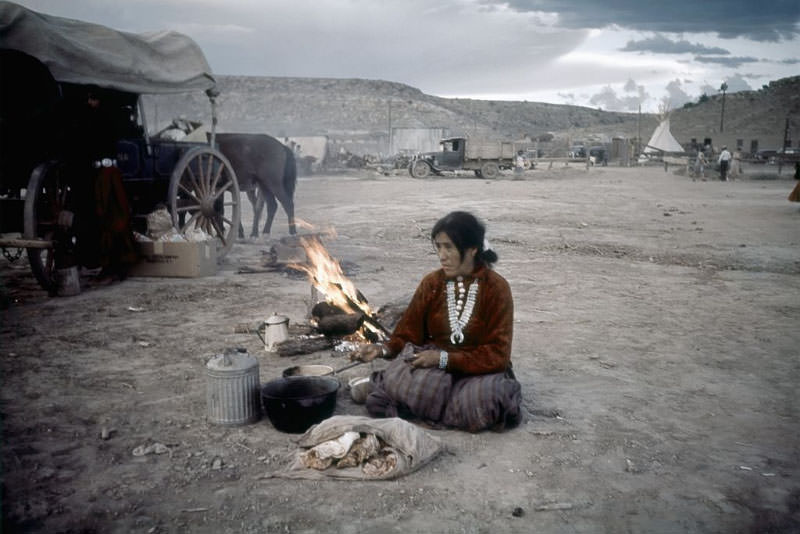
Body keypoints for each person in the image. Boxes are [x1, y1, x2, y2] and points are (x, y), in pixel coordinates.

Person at [352, 211, 521, 432]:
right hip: (434, 368)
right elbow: (408, 333)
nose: (442, 255)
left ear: (472, 249)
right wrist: (382, 350)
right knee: (422, 386)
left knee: (483, 400)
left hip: (480, 370)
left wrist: (445, 359)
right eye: (439, 247)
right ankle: (442, 406)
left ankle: (408, 398)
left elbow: (498, 354)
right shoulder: (432, 283)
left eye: (449, 247)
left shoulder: (496, 288)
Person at [69, 87, 138, 283]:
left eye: (92, 99)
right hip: (96, 175)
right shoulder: (91, 118)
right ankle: (105, 263)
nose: (90, 102)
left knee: (113, 218)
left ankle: (115, 267)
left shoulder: (104, 118)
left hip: (107, 175)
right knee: (103, 218)